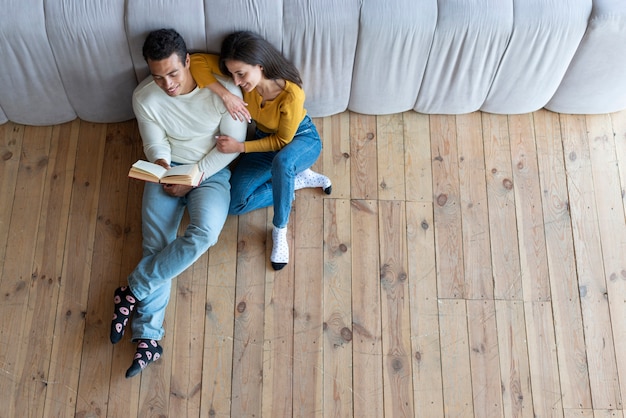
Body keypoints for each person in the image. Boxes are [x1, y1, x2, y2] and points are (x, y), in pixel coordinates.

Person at [109, 28, 247, 378]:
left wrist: (195, 177)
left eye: (173, 73)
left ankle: (132, 290)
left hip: (211, 174)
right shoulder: (144, 96)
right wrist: (164, 168)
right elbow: (155, 143)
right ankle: (148, 340)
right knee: (156, 245)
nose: (168, 84)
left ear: (188, 62)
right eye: (158, 77)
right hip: (168, 174)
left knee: (204, 234)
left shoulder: (225, 93)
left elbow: (228, 147)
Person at [189, 31, 332, 271]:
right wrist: (225, 95)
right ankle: (291, 184)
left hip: (300, 140)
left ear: (260, 65)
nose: (236, 81)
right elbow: (195, 62)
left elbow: (282, 141)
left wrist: (239, 147)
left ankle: (279, 230)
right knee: (234, 203)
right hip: (264, 141)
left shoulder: (291, 94)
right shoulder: (242, 81)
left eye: (241, 74)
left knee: (284, 163)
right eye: (232, 75)